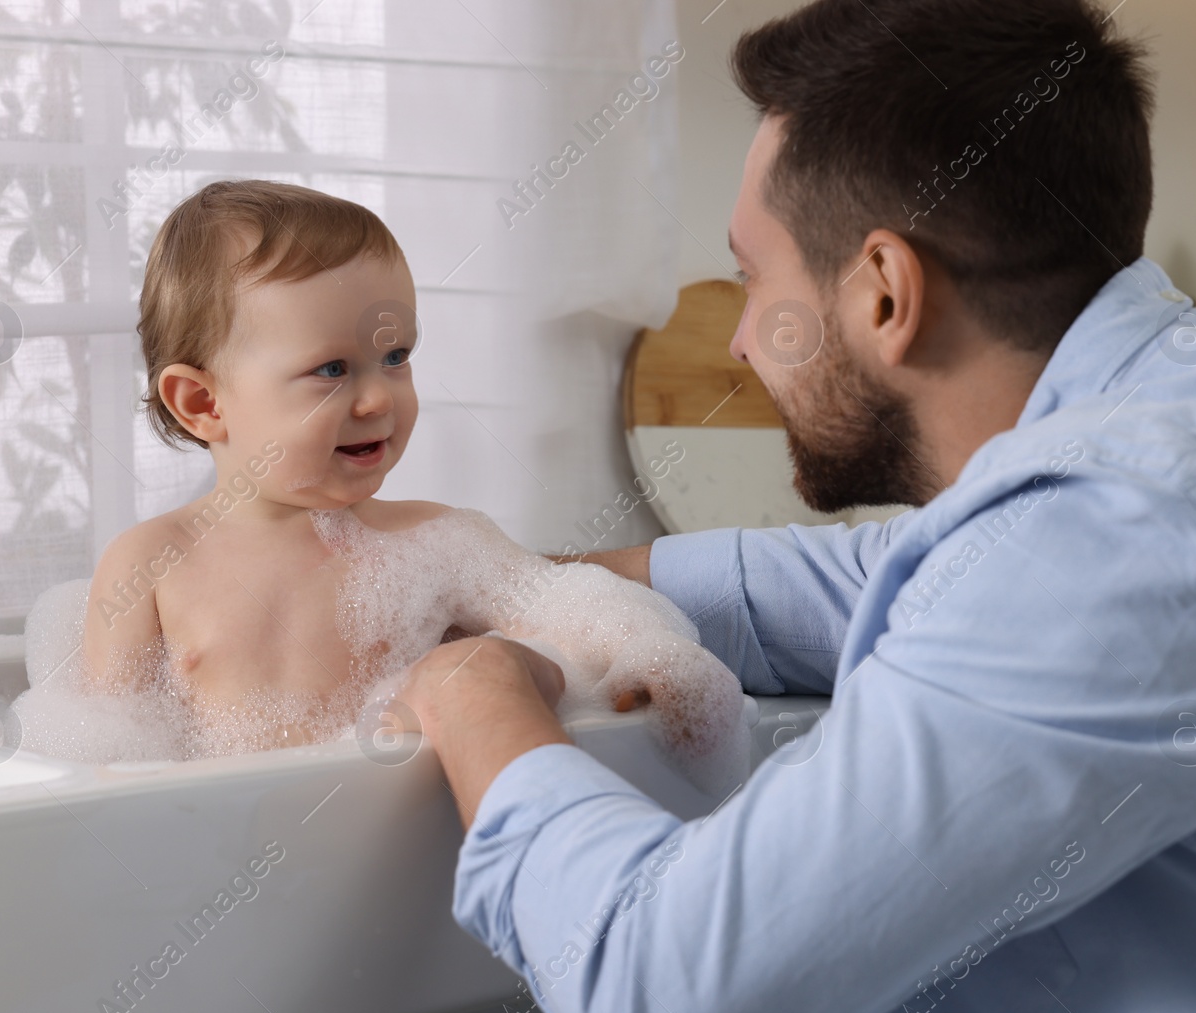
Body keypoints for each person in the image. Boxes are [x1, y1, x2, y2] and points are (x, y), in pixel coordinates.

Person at [393, 0, 1196, 1013]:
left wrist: (473, 693)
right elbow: (892, 571)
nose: (738, 340)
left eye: (752, 277)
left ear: (883, 292)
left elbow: (659, 984)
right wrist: (530, 581)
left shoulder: (1126, 528)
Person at [78, 179, 751, 786]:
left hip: (396, 858)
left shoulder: (436, 539)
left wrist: (649, 654)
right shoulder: (150, 566)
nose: (378, 398)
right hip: (218, 855)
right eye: (333, 369)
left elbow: (562, 611)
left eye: (396, 356)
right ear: (203, 404)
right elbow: (105, 767)